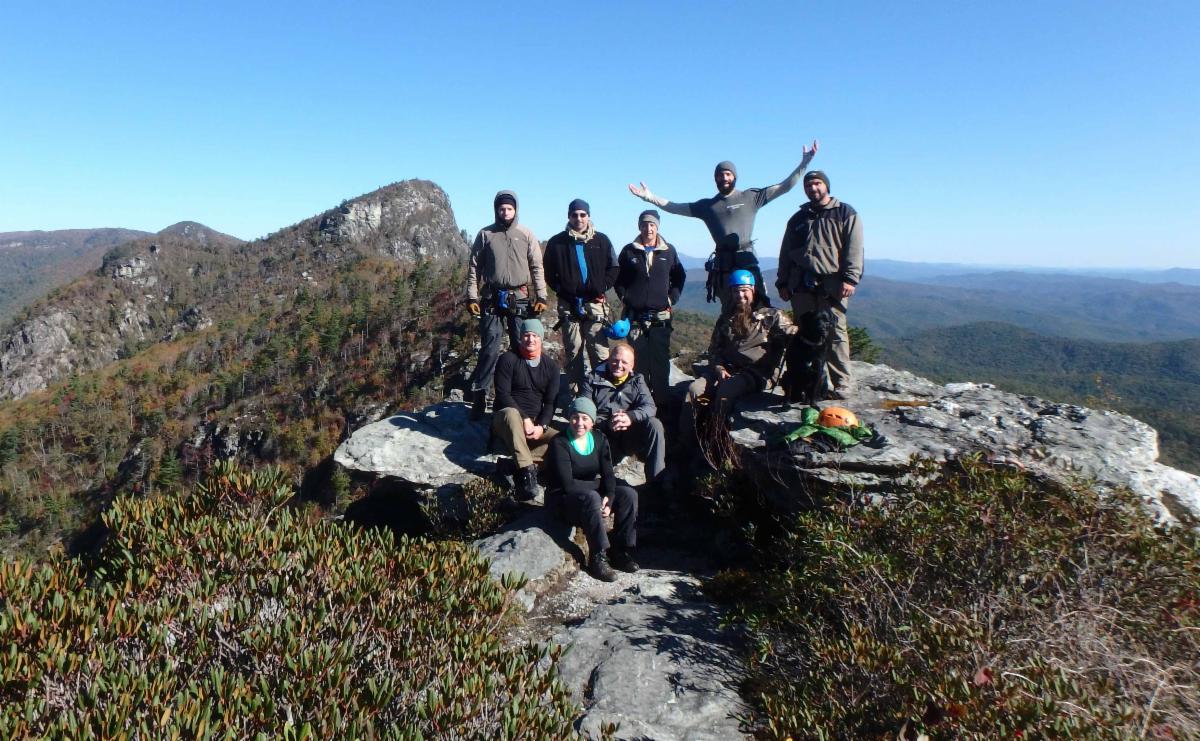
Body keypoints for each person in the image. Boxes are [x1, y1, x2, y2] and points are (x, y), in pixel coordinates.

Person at [628, 141, 818, 307]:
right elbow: (675, 207)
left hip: (747, 259)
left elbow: (785, 186)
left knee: (759, 305)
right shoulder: (708, 206)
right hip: (723, 265)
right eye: (720, 175)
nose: (724, 178)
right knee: (729, 308)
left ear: (734, 176)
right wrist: (650, 198)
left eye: (728, 174)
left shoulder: (751, 197)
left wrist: (805, 162)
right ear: (715, 179)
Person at [776, 170, 863, 399]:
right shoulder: (798, 219)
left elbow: (854, 248)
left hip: (832, 283)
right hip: (801, 285)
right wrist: (782, 281)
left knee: (835, 332)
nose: (813, 189)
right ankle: (808, 385)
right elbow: (785, 252)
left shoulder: (845, 212)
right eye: (809, 185)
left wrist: (850, 278)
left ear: (826, 186)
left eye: (817, 184)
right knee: (804, 334)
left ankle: (842, 382)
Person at [682, 270, 796, 442]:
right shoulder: (726, 317)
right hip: (726, 368)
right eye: (735, 291)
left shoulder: (771, 316)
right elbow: (714, 350)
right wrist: (719, 368)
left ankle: (715, 440)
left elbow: (792, 334)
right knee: (694, 390)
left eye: (744, 290)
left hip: (757, 372)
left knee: (726, 391)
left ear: (753, 290)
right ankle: (686, 439)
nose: (740, 295)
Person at [466, 190, 548, 418]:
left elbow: (536, 267)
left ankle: (519, 396)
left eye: (509, 208)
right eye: (502, 208)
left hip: (519, 298)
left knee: (521, 348)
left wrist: (541, 296)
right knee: (490, 349)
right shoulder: (485, 234)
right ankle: (480, 396)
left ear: (515, 209)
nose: (505, 212)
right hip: (492, 298)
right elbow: (474, 267)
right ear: (496, 210)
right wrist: (471, 297)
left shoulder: (526, 234)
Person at [547, 396, 639, 582]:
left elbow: (608, 474)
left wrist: (610, 496)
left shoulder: (599, 438)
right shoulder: (560, 442)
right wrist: (600, 491)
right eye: (575, 417)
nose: (579, 423)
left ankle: (619, 550)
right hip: (563, 500)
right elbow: (568, 484)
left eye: (585, 418)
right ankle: (597, 556)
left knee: (629, 494)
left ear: (592, 420)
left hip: (589, 495)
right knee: (592, 497)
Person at [543, 198, 619, 394]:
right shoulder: (557, 243)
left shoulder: (601, 240)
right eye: (575, 214)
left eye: (582, 214)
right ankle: (576, 397)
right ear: (569, 216)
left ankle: (602, 394)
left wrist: (601, 287)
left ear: (589, 216)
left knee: (599, 350)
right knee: (573, 350)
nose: (579, 218)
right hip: (568, 304)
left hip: (595, 304)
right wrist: (562, 289)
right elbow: (548, 272)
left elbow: (614, 267)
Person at [614, 210, 686, 401]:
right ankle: (641, 402)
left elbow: (679, 276)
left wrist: (672, 298)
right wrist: (624, 296)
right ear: (639, 227)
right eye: (644, 224)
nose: (648, 228)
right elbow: (617, 277)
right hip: (634, 317)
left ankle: (662, 405)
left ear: (658, 227)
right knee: (638, 362)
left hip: (660, 317)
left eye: (652, 224)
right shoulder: (629, 251)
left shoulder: (668, 251)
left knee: (660, 361)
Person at [580, 342, 667, 485]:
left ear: (632, 365)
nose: (619, 365)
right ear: (609, 359)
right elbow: (583, 410)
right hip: (601, 437)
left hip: (628, 435)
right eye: (615, 360)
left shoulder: (637, 380)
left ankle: (656, 483)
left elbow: (650, 407)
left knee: (654, 424)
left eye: (624, 362)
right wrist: (606, 423)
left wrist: (630, 417)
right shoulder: (592, 379)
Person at [492, 319, 560, 500]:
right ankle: (527, 473)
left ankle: (510, 465)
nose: (530, 339)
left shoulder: (551, 367)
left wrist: (542, 426)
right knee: (511, 413)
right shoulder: (508, 359)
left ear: (541, 339)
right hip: (506, 419)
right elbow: (502, 394)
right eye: (526, 335)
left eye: (535, 335)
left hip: (535, 426)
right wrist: (525, 418)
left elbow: (550, 403)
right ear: (521, 337)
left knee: (562, 441)